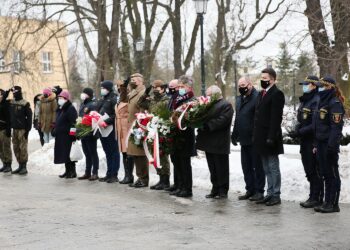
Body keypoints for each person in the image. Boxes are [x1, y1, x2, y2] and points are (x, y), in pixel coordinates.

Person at [289, 75, 323, 208]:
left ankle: (316, 197)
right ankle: (313, 195)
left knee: (313, 170)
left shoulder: (316, 100)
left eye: (306, 84)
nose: (304, 86)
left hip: (312, 141)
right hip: (304, 140)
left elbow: (314, 124)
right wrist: (296, 129)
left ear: (314, 85)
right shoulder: (305, 100)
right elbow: (302, 120)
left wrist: (299, 132)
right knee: (308, 170)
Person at [253, 68, 285, 206]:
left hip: (271, 137)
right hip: (261, 137)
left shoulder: (277, 94)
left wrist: (271, 137)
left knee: (273, 166)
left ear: (272, 79)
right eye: (262, 78)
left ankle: (276, 194)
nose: (263, 80)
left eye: (265, 78)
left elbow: (275, 118)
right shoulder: (261, 94)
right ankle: (270, 192)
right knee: (265, 167)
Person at [313, 76, 344, 213]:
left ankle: (333, 203)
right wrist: (316, 143)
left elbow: (336, 128)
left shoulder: (334, 103)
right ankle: (327, 201)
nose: (320, 88)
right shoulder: (322, 102)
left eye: (322, 86)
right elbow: (318, 125)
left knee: (332, 174)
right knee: (325, 174)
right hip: (320, 143)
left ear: (330, 87)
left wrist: (331, 146)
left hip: (329, 145)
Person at [196, 85, 234, 199]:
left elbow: (224, 120)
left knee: (221, 168)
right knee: (212, 167)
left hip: (219, 142)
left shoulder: (226, 105)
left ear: (216, 94)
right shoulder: (208, 105)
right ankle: (215, 188)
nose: (207, 97)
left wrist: (208, 125)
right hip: (209, 142)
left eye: (209, 95)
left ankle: (223, 190)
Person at [232, 77, 265, 201]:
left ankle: (259, 191)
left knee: (257, 166)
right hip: (243, 139)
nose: (241, 87)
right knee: (246, 166)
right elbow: (238, 118)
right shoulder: (239, 99)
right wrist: (234, 134)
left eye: (244, 84)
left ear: (250, 85)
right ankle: (250, 189)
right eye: (239, 85)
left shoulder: (257, 97)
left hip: (254, 138)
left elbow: (259, 118)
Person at [138, 79, 171, 190]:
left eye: (157, 88)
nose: (155, 90)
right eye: (153, 88)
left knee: (162, 155)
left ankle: (165, 180)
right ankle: (160, 178)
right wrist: (146, 93)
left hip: (162, 131)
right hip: (152, 131)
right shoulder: (151, 100)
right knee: (155, 155)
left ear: (163, 89)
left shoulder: (167, 100)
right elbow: (140, 103)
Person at [169, 75, 197, 198]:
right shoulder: (177, 99)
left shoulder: (192, 99)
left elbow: (192, 118)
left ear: (189, 87)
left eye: (182, 86)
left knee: (185, 163)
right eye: (178, 86)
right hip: (175, 135)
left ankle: (187, 188)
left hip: (186, 135)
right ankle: (180, 185)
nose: (179, 88)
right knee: (177, 161)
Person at [127, 73, 149, 188]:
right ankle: (139, 177)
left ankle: (144, 179)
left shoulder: (143, 93)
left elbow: (143, 110)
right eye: (131, 80)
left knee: (140, 153)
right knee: (135, 154)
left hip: (139, 126)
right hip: (132, 126)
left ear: (140, 81)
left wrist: (141, 126)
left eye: (134, 80)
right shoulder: (133, 92)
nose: (132, 82)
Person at [97, 80, 120, 183]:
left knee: (114, 152)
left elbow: (116, 115)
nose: (102, 90)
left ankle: (114, 175)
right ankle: (108, 173)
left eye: (103, 88)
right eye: (101, 88)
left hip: (111, 129)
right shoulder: (103, 99)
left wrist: (106, 121)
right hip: (103, 129)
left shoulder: (114, 99)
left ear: (109, 88)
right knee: (107, 152)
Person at [54, 90, 78, 178]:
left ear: (66, 99)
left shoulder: (70, 108)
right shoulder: (61, 108)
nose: (59, 99)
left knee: (69, 154)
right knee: (64, 154)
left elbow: (74, 122)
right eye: (59, 98)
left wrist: (72, 134)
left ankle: (72, 172)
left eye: (61, 98)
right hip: (61, 136)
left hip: (68, 136)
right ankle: (67, 171)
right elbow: (58, 121)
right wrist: (55, 129)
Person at [9, 86, 32, 175]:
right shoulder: (12, 102)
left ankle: (24, 167)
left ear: (19, 92)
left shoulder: (25, 103)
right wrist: (8, 91)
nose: (14, 94)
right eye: (13, 92)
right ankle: (19, 165)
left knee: (23, 148)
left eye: (15, 92)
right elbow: (3, 100)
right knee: (15, 148)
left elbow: (29, 117)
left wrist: (28, 130)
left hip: (22, 129)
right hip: (14, 129)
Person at [77, 88, 99, 181]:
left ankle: (95, 173)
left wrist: (92, 131)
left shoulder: (93, 104)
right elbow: (80, 118)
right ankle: (87, 172)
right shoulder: (83, 104)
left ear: (88, 95)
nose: (82, 94)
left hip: (90, 132)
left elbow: (95, 118)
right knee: (87, 153)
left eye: (84, 93)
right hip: (83, 131)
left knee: (92, 153)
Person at [115, 78, 135, 185]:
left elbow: (124, 97)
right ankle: (127, 175)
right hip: (120, 127)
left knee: (128, 152)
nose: (118, 88)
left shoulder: (127, 96)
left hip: (126, 126)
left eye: (120, 86)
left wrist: (124, 88)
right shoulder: (119, 98)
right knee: (123, 152)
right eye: (117, 86)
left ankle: (129, 175)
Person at [164, 79, 180, 193]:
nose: (170, 89)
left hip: (179, 133)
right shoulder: (171, 98)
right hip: (171, 133)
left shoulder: (180, 98)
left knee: (180, 162)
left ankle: (182, 185)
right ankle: (177, 183)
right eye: (169, 86)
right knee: (175, 160)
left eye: (172, 87)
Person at [0, 89, 12, 173]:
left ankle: (8, 165)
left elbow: (9, 118)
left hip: (4, 129)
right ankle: (4, 163)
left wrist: (8, 129)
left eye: (0, 95)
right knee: (0, 148)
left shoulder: (6, 104)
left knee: (6, 147)